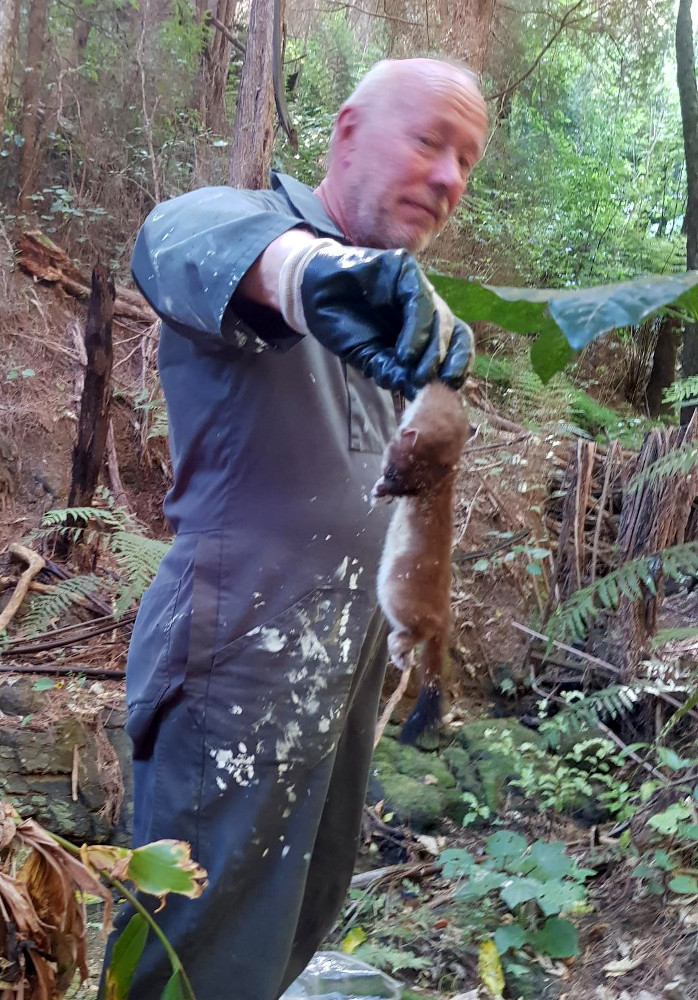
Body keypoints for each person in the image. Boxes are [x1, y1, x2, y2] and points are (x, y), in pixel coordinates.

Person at [102, 57, 488, 1000]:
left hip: (339, 668)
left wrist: (423, 629)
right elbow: (173, 238)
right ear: (348, 132)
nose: (449, 178)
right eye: (430, 141)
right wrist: (312, 267)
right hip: (235, 660)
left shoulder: (400, 322)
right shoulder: (269, 244)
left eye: (467, 161)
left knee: (295, 921)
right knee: (198, 955)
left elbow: (397, 492)